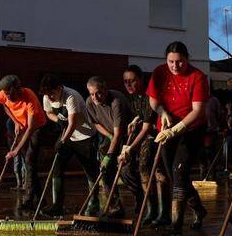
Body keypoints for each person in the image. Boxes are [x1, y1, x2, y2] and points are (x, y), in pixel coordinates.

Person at [148, 41, 208, 235]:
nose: (175, 66)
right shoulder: (159, 72)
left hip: (190, 130)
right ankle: (198, 209)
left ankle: (176, 224)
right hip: (166, 129)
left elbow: (198, 111)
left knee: (179, 171)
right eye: (171, 61)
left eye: (180, 62)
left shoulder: (198, 77)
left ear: (187, 59)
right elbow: (153, 100)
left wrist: (177, 129)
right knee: (175, 177)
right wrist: (162, 111)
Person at [40, 74, 100, 217]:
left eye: (52, 94)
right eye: (47, 95)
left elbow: (72, 124)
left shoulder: (71, 96)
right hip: (68, 136)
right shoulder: (47, 96)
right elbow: (48, 112)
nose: (50, 98)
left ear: (59, 88)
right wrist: (57, 120)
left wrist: (62, 141)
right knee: (57, 167)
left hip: (85, 136)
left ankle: (94, 203)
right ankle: (57, 205)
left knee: (90, 169)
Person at [118, 65, 170, 225]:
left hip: (160, 135)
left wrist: (129, 148)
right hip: (148, 135)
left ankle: (164, 212)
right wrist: (135, 120)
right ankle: (150, 208)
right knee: (140, 169)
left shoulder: (149, 95)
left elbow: (147, 128)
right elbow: (142, 117)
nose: (128, 85)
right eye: (126, 82)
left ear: (140, 80)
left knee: (157, 171)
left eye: (132, 81)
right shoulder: (134, 97)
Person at [85, 76, 136, 218]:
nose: (95, 97)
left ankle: (142, 199)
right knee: (105, 171)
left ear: (105, 90)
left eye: (98, 93)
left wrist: (109, 155)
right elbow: (95, 123)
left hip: (128, 134)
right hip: (110, 134)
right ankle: (115, 207)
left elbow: (119, 133)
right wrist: (109, 136)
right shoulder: (90, 102)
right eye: (92, 94)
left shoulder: (116, 101)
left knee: (126, 171)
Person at [0, 75, 47, 211]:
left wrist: (16, 150)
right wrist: (15, 122)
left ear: (17, 89)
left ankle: (28, 199)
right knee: (29, 164)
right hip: (21, 125)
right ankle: (41, 199)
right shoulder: (3, 94)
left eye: (10, 93)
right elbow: (5, 107)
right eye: (5, 93)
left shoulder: (29, 97)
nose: (7, 96)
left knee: (30, 160)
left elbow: (31, 128)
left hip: (36, 127)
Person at [5, 117, 26, 190]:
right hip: (14, 148)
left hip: (23, 146)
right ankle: (19, 184)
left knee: (24, 165)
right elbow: (10, 140)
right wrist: (13, 149)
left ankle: (24, 184)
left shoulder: (22, 123)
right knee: (17, 165)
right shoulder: (10, 124)